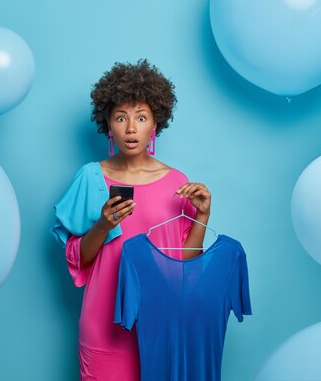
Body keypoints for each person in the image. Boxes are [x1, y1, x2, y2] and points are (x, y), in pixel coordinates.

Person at [51, 59, 212, 381]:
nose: (130, 128)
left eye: (140, 118)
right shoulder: (90, 178)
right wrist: (103, 226)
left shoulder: (176, 182)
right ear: (108, 125)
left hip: (161, 322)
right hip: (103, 325)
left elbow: (186, 264)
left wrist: (202, 216)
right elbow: (79, 258)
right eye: (120, 118)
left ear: (155, 125)